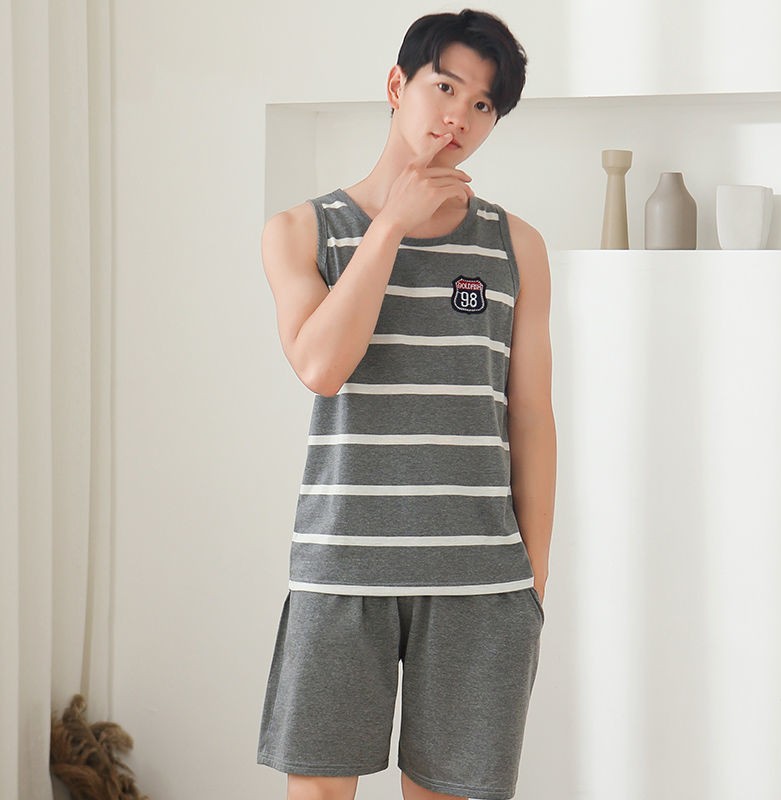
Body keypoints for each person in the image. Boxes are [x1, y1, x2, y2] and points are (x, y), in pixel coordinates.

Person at [256, 9, 556, 800]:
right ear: (397, 85)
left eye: (483, 104)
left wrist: (533, 579)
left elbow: (530, 416)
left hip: (480, 580)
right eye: (445, 87)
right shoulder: (301, 230)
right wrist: (391, 223)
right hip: (341, 566)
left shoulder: (516, 246)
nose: (460, 116)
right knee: (319, 791)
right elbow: (321, 366)